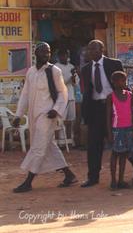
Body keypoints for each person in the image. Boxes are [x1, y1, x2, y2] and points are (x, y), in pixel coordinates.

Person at [12, 42, 77, 193]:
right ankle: (69, 175)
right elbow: (25, 94)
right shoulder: (31, 72)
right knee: (48, 146)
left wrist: (56, 109)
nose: (46, 55)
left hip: (47, 115)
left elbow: (63, 92)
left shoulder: (54, 71)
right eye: (43, 52)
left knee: (38, 147)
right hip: (34, 115)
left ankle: (28, 182)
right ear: (36, 54)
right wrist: (18, 115)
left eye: (48, 52)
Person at [80, 40, 123, 188]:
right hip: (96, 109)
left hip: (113, 107)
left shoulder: (114, 64)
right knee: (94, 145)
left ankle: (124, 175)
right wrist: (85, 115)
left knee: (119, 141)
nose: (91, 52)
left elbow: (122, 85)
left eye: (94, 49)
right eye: (89, 49)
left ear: (102, 50)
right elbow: (86, 92)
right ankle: (93, 177)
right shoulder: (85, 69)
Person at [106, 71, 133, 190]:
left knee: (124, 155)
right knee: (115, 154)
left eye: (124, 80)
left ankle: (121, 180)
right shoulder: (110, 97)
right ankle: (113, 180)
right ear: (114, 82)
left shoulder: (129, 95)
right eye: (121, 81)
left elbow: (131, 112)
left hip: (128, 128)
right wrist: (109, 132)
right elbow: (108, 116)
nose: (124, 83)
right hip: (116, 129)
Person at [55, 49, 79, 145]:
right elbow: (60, 82)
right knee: (61, 120)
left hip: (71, 96)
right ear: (59, 57)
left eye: (66, 55)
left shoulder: (71, 66)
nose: (64, 58)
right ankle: (60, 141)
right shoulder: (56, 67)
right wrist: (70, 76)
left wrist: (73, 76)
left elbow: (75, 83)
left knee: (70, 120)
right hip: (61, 97)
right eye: (62, 56)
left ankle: (69, 140)